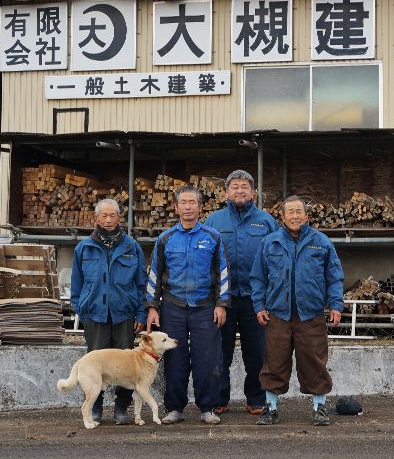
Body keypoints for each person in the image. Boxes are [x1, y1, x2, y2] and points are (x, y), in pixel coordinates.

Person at [250, 195, 344, 426]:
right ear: (282, 217)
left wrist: (336, 305)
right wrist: (259, 306)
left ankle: (319, 408)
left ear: (306, 216)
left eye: (299, 212)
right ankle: (270, 408)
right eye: (290, 212)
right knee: (274, 361)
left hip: (310, 315)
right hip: (278, 315)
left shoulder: (321, 242)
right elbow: (258, 277)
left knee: (314, 362)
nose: (295, 216)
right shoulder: (269, 242)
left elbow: (334, 277)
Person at [145, 185, 229, 425]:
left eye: (193, 202)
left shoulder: (213, 237)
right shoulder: (165, 238)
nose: (188, 207)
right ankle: (174, 408)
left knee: (207, 358)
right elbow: (154, 275)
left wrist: (221, 304)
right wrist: (152, 307)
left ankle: (208, 408)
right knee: (175, 359)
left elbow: (222, 273)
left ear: (201, 207)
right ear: (176, 207)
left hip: (205, 306)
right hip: (173, 306)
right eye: (183, 202)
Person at [204, 170, 278, 416]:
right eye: (235, 186)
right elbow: (207, 260)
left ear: (253, 192)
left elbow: (276, 260)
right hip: (222, 300)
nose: (240, 190)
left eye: (244, 186)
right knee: (219, 352)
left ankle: (255, 399)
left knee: (257, 353)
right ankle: (218, 398)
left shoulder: (266, 221)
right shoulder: (214, 221)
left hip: (256, 300)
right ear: (226, 192)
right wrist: (214, 297)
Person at [70, 198, 147, 426]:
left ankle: (121, 408)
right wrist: (83, 312)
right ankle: (95, 408)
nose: (109, 219)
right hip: (95, 316)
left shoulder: (132, 248)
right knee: (95, 366)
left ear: (119, 218)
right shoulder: (83, 248)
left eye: (113, 215)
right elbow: (76, 286)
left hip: (124, 316)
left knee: (126, 365)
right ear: (96, 219)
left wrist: (141, 314)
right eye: (104, 215)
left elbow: (142, 285)